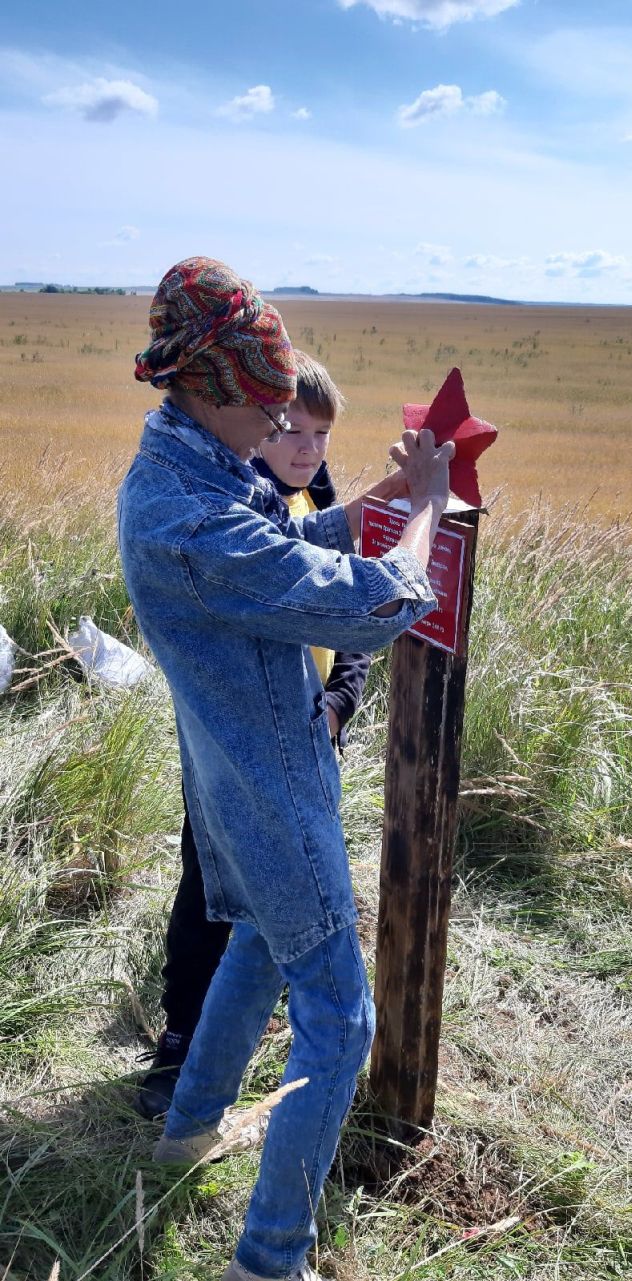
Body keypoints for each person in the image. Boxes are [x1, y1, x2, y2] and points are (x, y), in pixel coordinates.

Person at [118, 256, 454, 1281]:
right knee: (342, 1022)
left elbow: (286, 544)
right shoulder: (190, 520)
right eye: (263, 404)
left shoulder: (189, 467)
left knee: (258, 942)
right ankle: (269, 1262)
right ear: (206, 385)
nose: (277, 424)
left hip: (230, 773)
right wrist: (429, 509)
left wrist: (382, 495)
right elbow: (373, 604)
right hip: (269, 784)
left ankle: (186, 1130)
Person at [135, 351, 371, 1120]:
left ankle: (193, 1113)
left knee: (260, 929)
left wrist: (338, 703)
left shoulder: (284, 494)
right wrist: (422, 522)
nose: (298, 442)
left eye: (316, 433)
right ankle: (182, 1043)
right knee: (329, 1006)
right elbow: (348, 598)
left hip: (300, 738)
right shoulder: (215, 508)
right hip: (240, 749)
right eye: (282, 424)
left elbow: (330, 577)